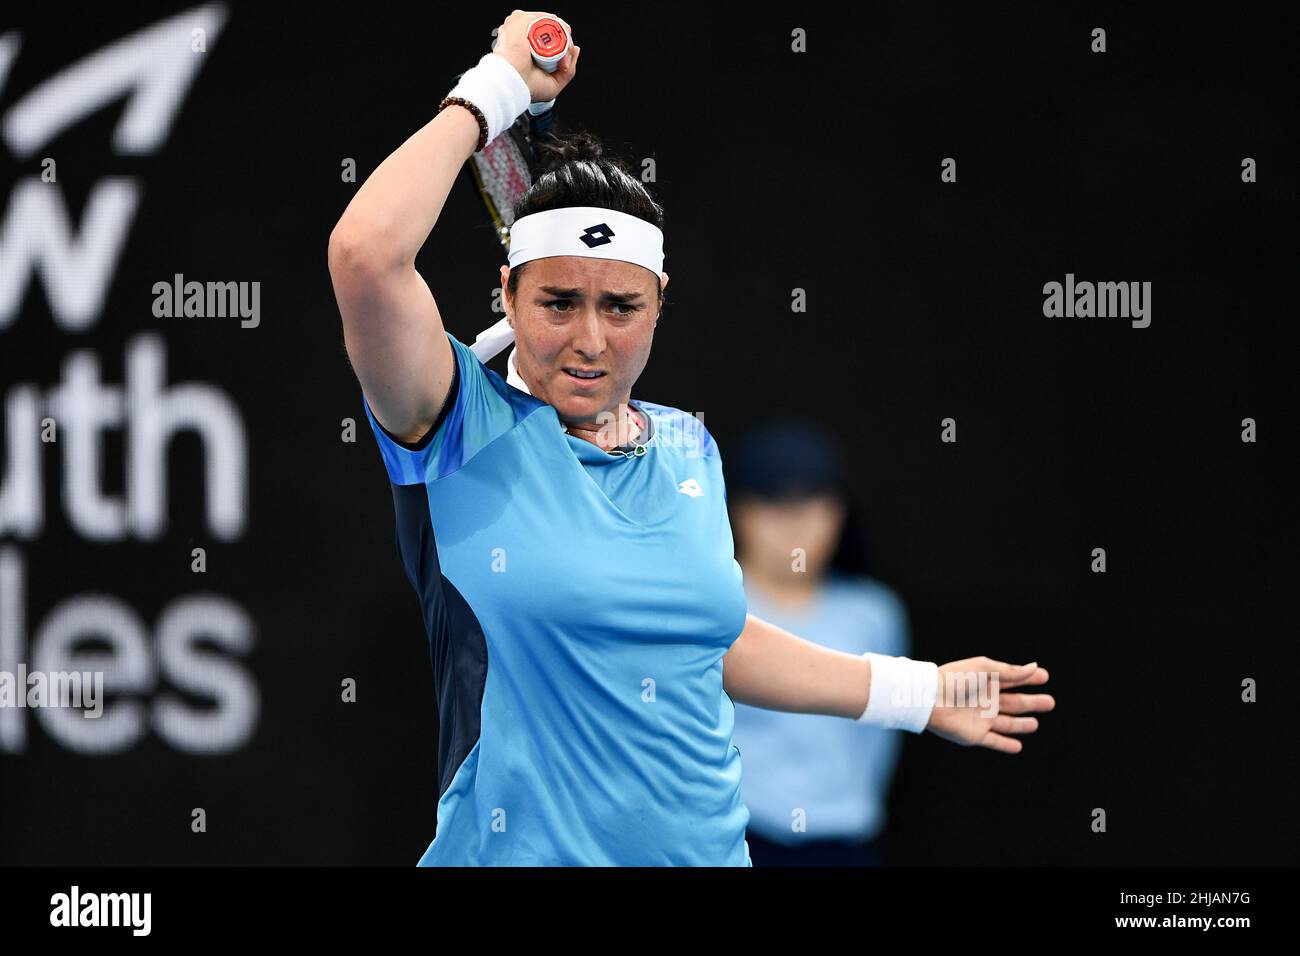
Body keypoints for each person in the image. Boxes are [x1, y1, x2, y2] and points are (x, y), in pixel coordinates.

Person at [327, 9, 1055, 866]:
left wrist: (915, 691)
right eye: (558, 302)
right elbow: (366, 254)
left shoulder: (686, 449)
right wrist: (495, 88)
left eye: (621, 306)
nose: (591, 340)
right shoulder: (455, 428)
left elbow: (709, 635)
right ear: (508, 296)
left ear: (660, 304)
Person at [726, 421, 908, 866]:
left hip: (846, 842)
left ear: (839, 512)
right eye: (773, 502)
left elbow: (877, 744)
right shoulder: (711, 606)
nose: (794, 523)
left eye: (811, 502)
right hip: (738, 840)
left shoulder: (875, 613)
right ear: (737, 511)